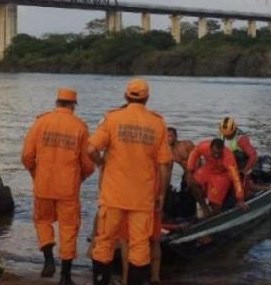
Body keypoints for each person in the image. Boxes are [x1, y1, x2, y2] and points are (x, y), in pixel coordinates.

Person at [88, 78, 172, 285]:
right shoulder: (157, 123)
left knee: (105, 242)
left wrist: (102, 164)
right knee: (139, 246)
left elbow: (90, 149)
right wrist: (161, 194)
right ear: (147, 98)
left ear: (126, 96)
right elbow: (165, 164)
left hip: (113, 194)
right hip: (142, 198)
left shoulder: (112, 118)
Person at [21, 88, 94, 285]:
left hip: (43, 184)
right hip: (68, 187)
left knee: (42, 221)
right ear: (73, 105)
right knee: (69, 228)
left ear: (57, 102)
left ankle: (48, 260)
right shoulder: (80, 127)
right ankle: (65, 277)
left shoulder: (41, 122)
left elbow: (26, 156)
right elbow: (88, 164)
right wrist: (80, 178)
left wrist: (37, 175)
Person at [186, 138, 247, 217]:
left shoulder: (228, 157)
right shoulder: (203, 146)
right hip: (209, 168)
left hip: (222, 175)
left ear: (222, 150)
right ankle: (204, 207)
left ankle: (214, 213)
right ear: (210, 148)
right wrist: (190, 169)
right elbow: (194, 153)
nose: (216, 155)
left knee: (215, 205)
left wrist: (240, 199)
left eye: (219, 154)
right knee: (191, 182)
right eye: (214, 153)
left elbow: (236, 178)